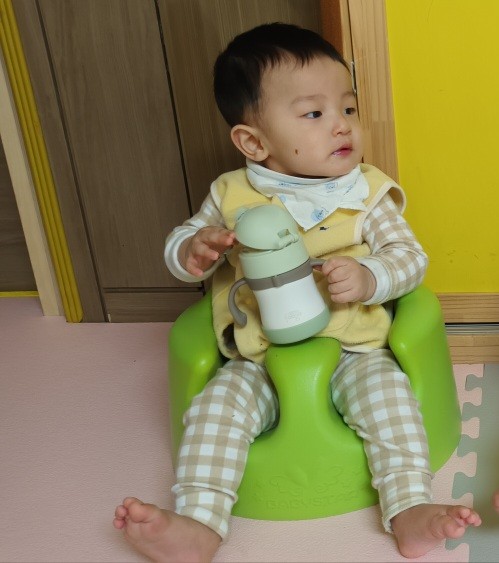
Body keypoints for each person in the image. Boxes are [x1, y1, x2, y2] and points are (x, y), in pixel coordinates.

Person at [113, 22, 481, 562]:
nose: (341, 125)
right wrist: (194, 249)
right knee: (215, 413)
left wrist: (371, 276)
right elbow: (180, 246)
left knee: (393, 406)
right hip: (257, 358)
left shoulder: (365, 192)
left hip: (356, 350)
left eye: (348, 108)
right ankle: (198, 524)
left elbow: (411, 259)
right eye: (314, 114)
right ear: (253, 142)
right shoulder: (231, 195)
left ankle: (408, 508)